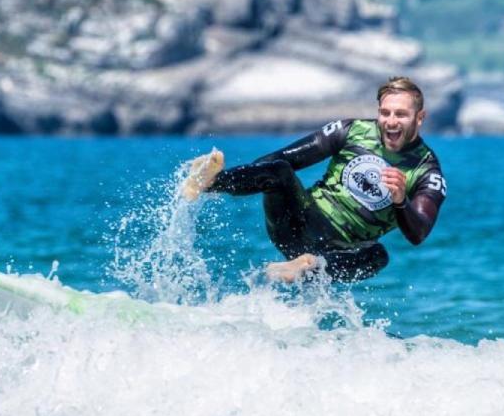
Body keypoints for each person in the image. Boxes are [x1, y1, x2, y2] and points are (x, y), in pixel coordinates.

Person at [182, 76, 447, 283]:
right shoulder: (352, 131)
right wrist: (238, 178)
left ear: (419, 118)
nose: (390, 121)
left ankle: (306, 266)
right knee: (280, 169)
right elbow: (277, 160)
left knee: (379, 256)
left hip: (337, 255)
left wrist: (400, 201)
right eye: (385, 113)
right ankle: (210, 182)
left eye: (401, 114)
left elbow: (419, 233)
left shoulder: (426, 170)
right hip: (296, 224)